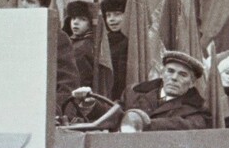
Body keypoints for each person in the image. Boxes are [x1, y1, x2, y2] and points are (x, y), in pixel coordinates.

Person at [77, 50, 210, 132]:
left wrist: (143, 123)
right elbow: (115, 114)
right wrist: (91, 104)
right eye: (170, 71)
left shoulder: (197, 108)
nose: (174, 78)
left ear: (192, 83)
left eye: (183, 75)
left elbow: (188, 126)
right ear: (162, 74)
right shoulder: (135, 93)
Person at [6, 0, 80, 116]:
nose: (24, 5)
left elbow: (68, 83)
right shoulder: (1, 33)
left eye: (30, 1)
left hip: (39, 115)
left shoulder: (56, 37)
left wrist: (53, 111)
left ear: (42, 7)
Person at [101, 0, 129, 100]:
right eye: (108, 15)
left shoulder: (130, 41)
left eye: (117, 14)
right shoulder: (105, 41)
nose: (111, 19)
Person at [62, 0, 95, 88]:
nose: (75, 22)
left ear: (90, 24)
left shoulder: (83, 47)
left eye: (82, 19)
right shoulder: (72, 41)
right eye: (73, 18)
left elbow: (83, 79)